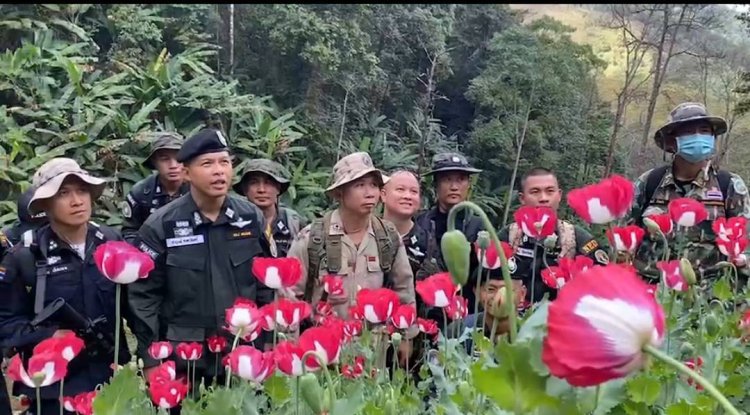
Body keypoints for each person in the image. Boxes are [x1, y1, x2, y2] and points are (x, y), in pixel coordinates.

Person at [128, 128, 272, 387]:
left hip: (242, 353)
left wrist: (270, 343)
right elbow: (143, 296)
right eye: (208, 164)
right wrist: (151, 359)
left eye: (224, 162)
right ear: (186, 173)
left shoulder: (250, 218)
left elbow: (265, 287)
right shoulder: (161, 226)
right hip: (186, 358)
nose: (219, 171)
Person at [0, 158, 129, 414]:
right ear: (46, 205)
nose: (77, 201)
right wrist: (48, 336)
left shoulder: (110, 240)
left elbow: (133, 303)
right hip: (53, 386)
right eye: (63, 194)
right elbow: (5, 322)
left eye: (82, 191)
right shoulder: (25, 257)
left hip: (110, 377)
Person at [285, 152, 416, 365]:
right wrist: (291, 345)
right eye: (360, 185)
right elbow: (289, 296)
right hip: (321, 351)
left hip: (373, 352)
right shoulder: (313, 238)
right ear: (339, 193)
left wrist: (406, 336)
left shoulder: (387, 236)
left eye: (374, 185)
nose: (370, 193)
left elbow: (404, 288)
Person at [629, 102, 750, 281]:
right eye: (688, 131)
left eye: (704, 131)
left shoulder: (729, 185)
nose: (698, 136)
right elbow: (624, 234)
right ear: (671, 141)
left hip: (706, 298)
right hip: (651, 289)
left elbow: (745, 243)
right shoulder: (650, 182)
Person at [497, 167, 609, 303]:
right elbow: (485, 282)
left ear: (559, 195)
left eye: (550, 191)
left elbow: (602, 284)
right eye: (535, 192)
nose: (543, 198)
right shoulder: (509, 235)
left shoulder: (576, 237)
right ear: (522, 198)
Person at [415, 152, 484, 318]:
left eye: (460, 179)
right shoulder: (420, 222)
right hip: (427, 313)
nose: (454, 186)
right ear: (436, 185)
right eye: (447, 180)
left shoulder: (479, 226)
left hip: (467, 313)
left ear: (468, 185)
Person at [121, 132, 190, 245]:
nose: (173, 165)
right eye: (164, 159)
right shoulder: (141, 193)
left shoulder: (198, 188)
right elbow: (130, 231)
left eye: (178, 159)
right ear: (154, 162)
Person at [233, 159, 305, 257]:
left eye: (268, 183)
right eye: (254, 183)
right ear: (245, 189)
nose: (261, 190)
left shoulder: (293, 222)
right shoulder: (234, 223)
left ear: (278, 188)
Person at [446, 274, 527, 354]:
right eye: (490, 289)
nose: (498, 298)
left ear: (522, 294)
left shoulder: (533, 335)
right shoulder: (459, 330)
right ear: (477, 292)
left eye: (507, 290)